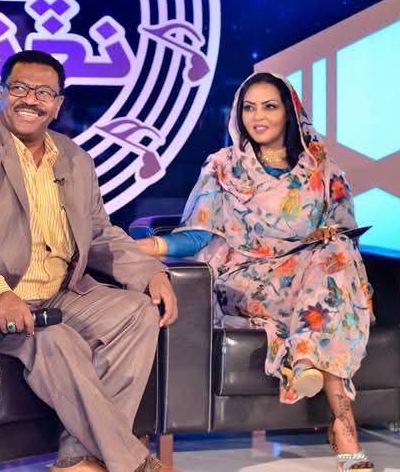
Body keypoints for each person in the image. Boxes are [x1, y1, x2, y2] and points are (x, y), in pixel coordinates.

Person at [0, 50, 179, 472]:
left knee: (137, 313)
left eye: (43, 93)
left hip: (55, 294)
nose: (30, 100)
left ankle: (79, 459)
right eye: (19, 88)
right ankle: (132, 464)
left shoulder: (74, 159)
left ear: (58, 104)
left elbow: (99, 232)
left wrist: (151, 273)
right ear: (1, 93)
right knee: (55, 339)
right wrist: (0, 292)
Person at [137, 72, 374, 471]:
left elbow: (346, 232)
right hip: (246, 278)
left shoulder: (323, 170)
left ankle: (333, 408)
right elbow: (198, 234)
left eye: (269, 107)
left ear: (289, 113)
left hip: (310, 280)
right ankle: (337, 417)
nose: (257, 117)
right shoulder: (223, 167)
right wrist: (147, 247)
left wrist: (325, 237)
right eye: (249, 108)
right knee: (332, 291)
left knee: (336, 255)